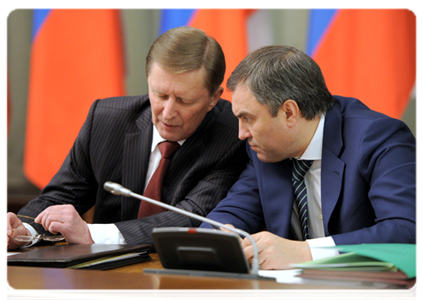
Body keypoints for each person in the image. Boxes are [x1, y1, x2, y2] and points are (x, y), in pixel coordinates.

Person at [5, 26, 248, 250]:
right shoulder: (106, 119)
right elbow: (60, 196)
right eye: (160, 94)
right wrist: (23, 230)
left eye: (184, 100)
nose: (168, 112)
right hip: (103, 275)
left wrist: (91, 234)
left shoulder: (232, 136)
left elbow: (191, 217)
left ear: (214, 98)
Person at [201, 45, 420, 270]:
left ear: (289, 113)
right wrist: (213, 240)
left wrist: (305, 252)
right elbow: (235, 211)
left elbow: (409, 230)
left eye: (247, 118)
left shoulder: (378, 138)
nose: (241, 134)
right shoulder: (265, 150)